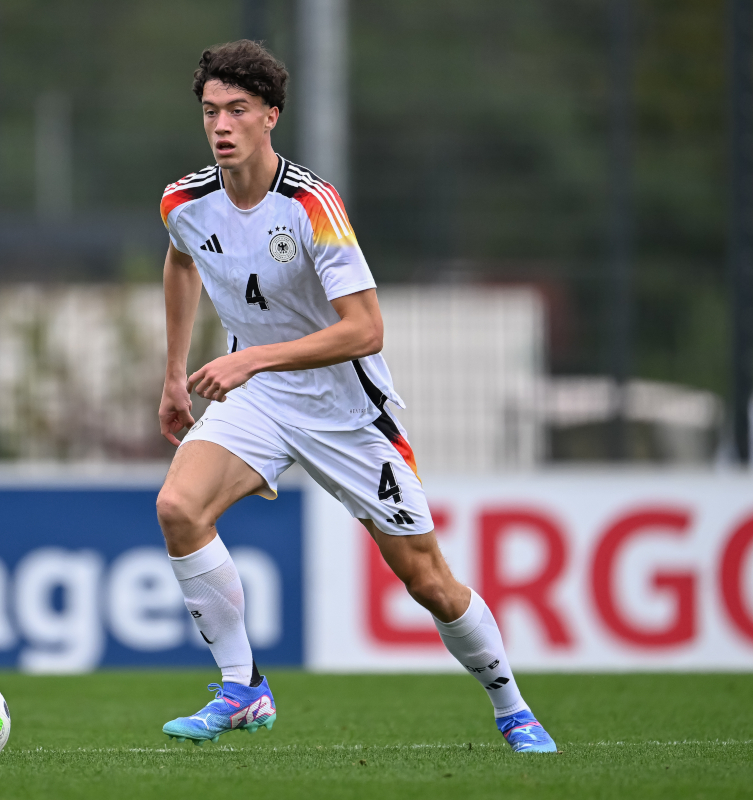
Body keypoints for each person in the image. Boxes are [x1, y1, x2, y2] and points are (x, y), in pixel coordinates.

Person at [155, 40, 556, 753]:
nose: (221, 125)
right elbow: (182, 258)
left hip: (347, 410)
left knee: (427, 581)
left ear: (271, 116)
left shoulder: (313, 206)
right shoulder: (184, 201)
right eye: (211, 111)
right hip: (260, 396)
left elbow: (366, 329)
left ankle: (513, 707)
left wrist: (257, 360)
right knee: (178, 508)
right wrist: (172, 370)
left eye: (238, 110)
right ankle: (242, 687)